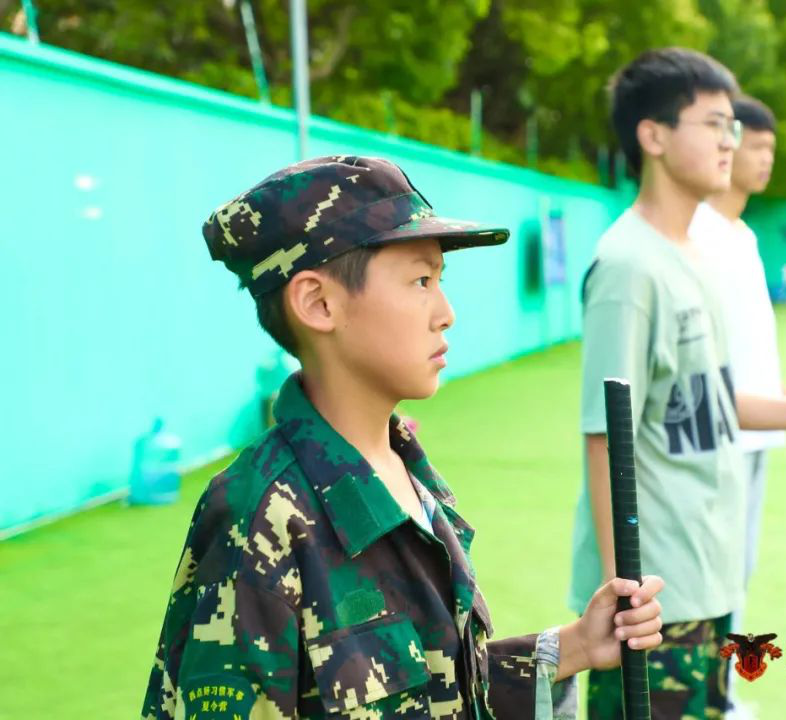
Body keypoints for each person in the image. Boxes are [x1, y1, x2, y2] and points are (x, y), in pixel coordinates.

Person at [141, 155, 666, 720]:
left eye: (440, 280)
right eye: (420, 281)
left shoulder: (404, 470)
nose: (446, 313)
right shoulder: (258, 515)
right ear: (319, 303)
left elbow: (436, 685)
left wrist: (575, 646)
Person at [568, 49, 786, 719]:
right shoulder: (628, 268)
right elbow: (604, 434)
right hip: (658, 595)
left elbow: (709, 401)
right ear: (652, 136)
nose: (728, 140)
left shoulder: (697, 256)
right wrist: (624, 593)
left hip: (708, 574)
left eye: (731, 127)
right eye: (712, 123)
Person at [688, 94, 786, 717]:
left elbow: (749, 349)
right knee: (707, 577)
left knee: (735, 572)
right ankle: (704, 694)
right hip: (715, 437)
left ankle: (721, 691)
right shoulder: (696, 234)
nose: (763, 158)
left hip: (754, 433)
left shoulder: (742, 235)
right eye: (756, 144)